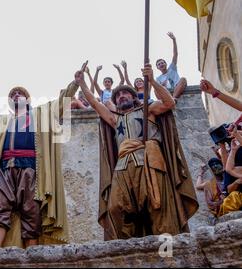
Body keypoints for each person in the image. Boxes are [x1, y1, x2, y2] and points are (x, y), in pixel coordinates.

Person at [0, 68, 82, 248]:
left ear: (27, 99)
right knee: (0, 209)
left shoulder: (41, 113)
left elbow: (62, 101)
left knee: (32, 212)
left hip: (30, 167)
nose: (15, 95)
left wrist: (75, 83)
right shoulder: (2, 120)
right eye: (13, 94)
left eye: (19, 93)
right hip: (5, 167)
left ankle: (31, 256)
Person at [78, 63, 198, 240]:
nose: (121, 96)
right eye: (118, 95)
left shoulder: (148, 110)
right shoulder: (114, 118)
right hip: (123, 165)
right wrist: (82, 84)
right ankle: (127, 249)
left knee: (159, 207)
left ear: (134, 97)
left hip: (150, 161)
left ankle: (168, 253)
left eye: (125, 93)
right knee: (115, 208)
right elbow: (95, 104)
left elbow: (169, 103)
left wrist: (152, 81)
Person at [155, 32, 188, 101]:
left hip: (177, 88)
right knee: (156, 89)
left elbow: (175, 54)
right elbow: (159, 90)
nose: (161, 64)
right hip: (166, 93)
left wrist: (174, 40)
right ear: (157, 68)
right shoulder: (158, 78)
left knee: (183, 79)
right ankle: (164, 102)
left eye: (162, 63)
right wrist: (162, 86)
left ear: (166, 64)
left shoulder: (172, 68)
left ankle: (173, 99)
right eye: (159, 64)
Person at [219, 131, 242, 216]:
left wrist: (236, 133)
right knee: (233, 196)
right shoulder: (237, 170)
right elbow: (228, 169)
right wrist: (233, 150)